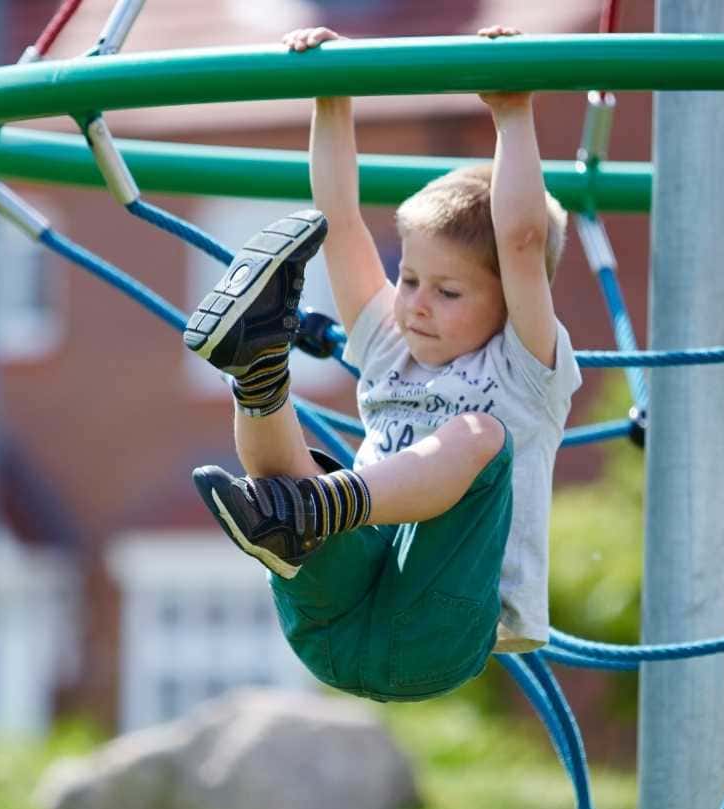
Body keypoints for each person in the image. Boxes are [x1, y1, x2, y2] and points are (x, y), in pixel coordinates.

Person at [187, 24, 581, 702]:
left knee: (482, 439)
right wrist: (331, 92)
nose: (417, 304)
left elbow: (519, 242)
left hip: (432, 631)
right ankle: (259, 379)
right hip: (332, 617)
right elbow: (337, 218)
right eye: (408, 279)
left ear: (511, 303)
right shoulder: (390, 343)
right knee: (297, 476)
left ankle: (313, 502)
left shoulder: (524, 372)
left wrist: (512, 113)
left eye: (449, 291)